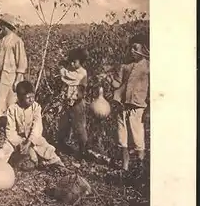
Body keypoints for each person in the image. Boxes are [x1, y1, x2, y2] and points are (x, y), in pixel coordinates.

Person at [98, 33, 150, 170]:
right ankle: (125, 166)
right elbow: (117, 84)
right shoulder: (124, 66)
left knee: (138, 138)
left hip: (137, 107)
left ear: (143, 49)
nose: (133, 51)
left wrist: (149, 108)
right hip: (122, 106)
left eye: (136, 48)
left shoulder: (148, 66)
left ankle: (140, 167)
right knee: (122, 139)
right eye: (131, 48)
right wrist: (108, 79)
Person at [0, 80, 65, 169]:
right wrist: (19, 143)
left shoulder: (36, 108)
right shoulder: (12, 109)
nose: (31, 100)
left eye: (33, 97)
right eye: (28, 97)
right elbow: (10, 130)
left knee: (45, 147)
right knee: (5, 149)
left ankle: (56, 163)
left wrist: (29, 142)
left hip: (32, 138)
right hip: (18, 139)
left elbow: (37, 127)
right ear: (20, 98)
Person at [58, 47, 89, 159]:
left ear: (81, 62)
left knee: (79, 127)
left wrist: (76, 99)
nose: (72, 63)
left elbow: (80, 88)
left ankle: (83, 150)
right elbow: (63, 75)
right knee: (63, 124)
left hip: (77, 103)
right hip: (67, 102)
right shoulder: (67, 70)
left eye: (74, 61)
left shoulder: (82, 73)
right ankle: (61, 145)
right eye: (70, 61)